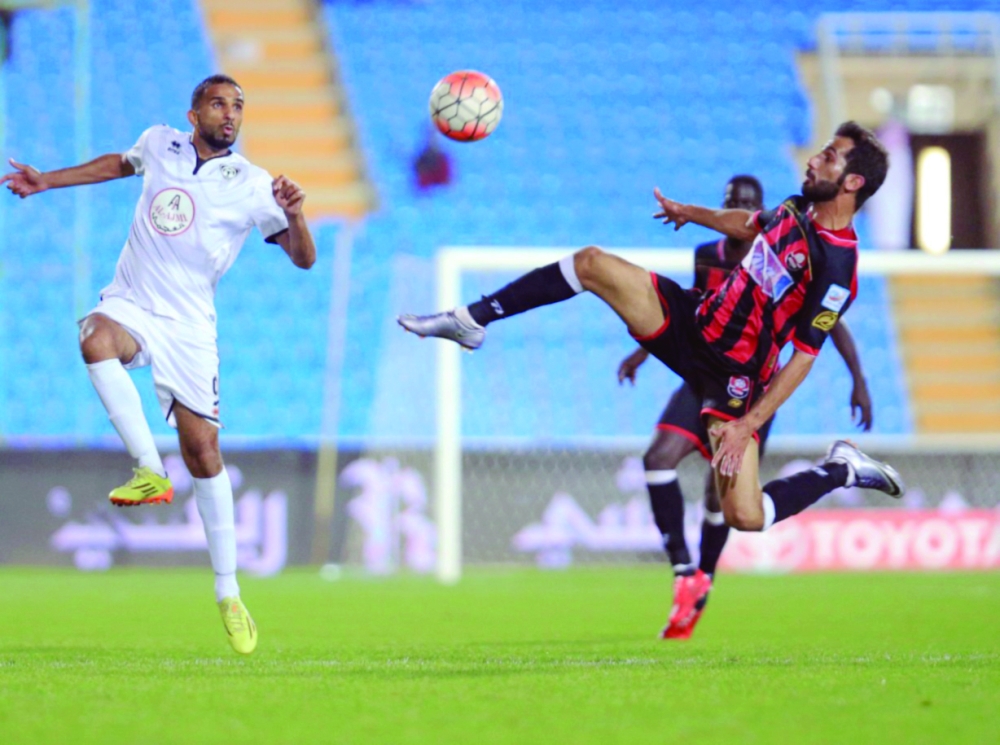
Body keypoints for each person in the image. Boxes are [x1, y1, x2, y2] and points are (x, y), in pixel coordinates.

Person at [398, 121, 903, 575]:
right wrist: (689, 213)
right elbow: (748, 225)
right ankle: (471, 320)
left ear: (853, 182)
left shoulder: (837, 269)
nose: (814, 160)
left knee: (745, 515)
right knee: (591, 264)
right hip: (694, 321)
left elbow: (805, 356)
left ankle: (842, 468)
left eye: (829, 157)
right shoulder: (795, 208)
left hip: (736, 378)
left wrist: (747, 424)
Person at [1, 74, 317, 655]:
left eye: (238, 106)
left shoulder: (252, 183)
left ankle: (228, 592)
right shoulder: (159, 143)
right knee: (94, 337)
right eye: (218, 104)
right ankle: (148, 468)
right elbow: (118, 164)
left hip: (190, 328)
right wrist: (48, 181)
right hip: (132, 303)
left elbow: (303, 260)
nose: (230, 114)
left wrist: (296, 216)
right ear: (193, 115)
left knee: (203, 454)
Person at [616, 174, 873, 639]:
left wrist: (858, 379)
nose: (739, 206)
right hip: (702, 375)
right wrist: (642, 353)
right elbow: (694, 307)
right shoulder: (707, 256)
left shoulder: (785, 251)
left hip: (751, 387)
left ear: (760, 208)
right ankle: (683, 570)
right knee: (657, 457)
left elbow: (829, 325)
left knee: (723, 497)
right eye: (733, 200)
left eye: (747, 201)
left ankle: (704, 578)